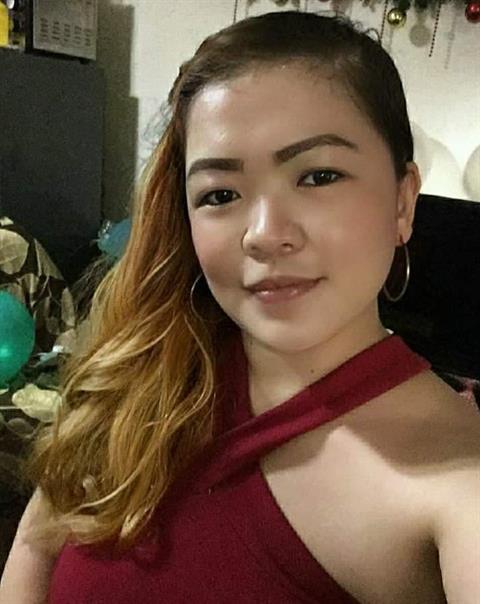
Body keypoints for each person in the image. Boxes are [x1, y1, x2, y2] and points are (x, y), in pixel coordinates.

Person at [1, 10, 479, 603]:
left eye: (319, 176)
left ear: (403, 202)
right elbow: (37, 546)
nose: (265, 234)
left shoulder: (456, 479)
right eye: (221, 194)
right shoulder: (141, 372)